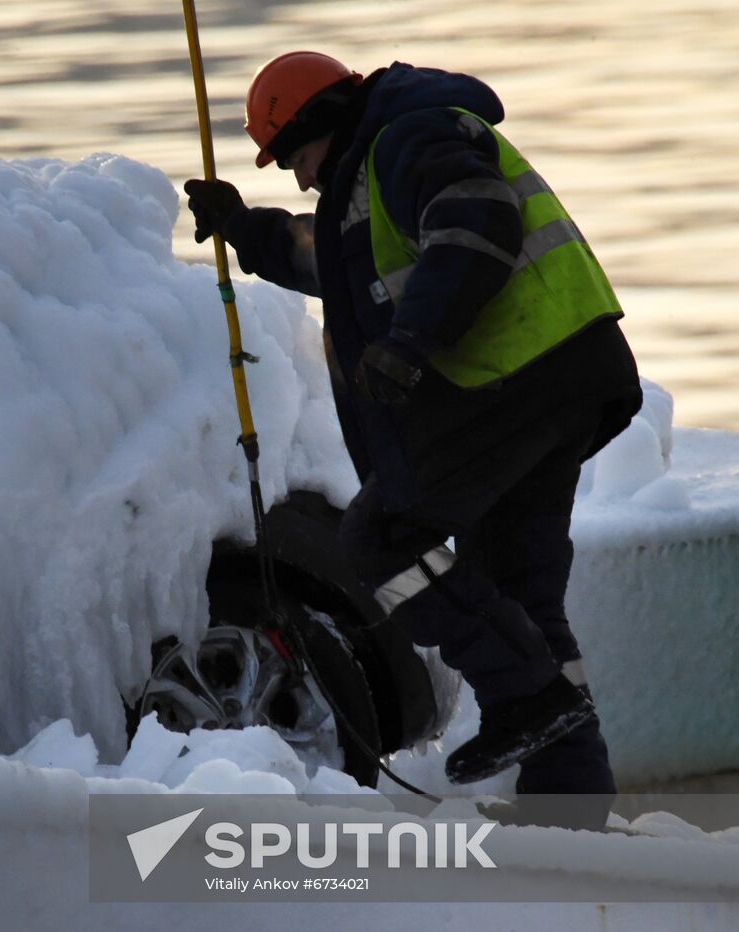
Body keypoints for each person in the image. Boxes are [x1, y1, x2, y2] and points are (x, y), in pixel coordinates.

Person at [184, 52, 642, 825]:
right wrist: (240, 228)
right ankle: (570, 808)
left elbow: (475, 223)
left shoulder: (409, 134)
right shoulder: (379, 162)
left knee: (382, 537)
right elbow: (327, 258)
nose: (298, 180)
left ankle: (525, 699)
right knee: (516, 590)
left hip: (515, 379)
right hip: (562, 378)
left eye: (295, 157)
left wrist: (411, 342)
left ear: (319, 122)